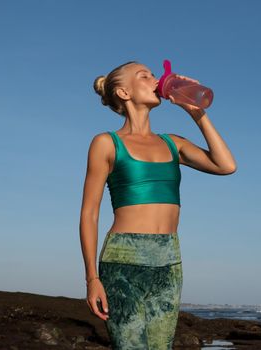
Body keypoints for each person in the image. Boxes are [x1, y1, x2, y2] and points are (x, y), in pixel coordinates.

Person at [79, 60, 237, 349]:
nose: (155, 80)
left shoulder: (173, 143)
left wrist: (196, 112)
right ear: (124, 93)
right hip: (123, 258)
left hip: (169, 257)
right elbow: (89, 214)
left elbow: (226, 165)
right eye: (145, 75)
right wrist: (92, 278)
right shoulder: (106, 143)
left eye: (154, 74)